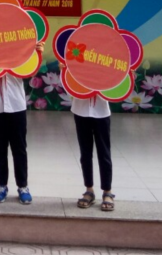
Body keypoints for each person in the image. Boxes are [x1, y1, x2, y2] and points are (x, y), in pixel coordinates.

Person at [0, 41, 45, 205]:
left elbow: (31, 72)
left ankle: (23, 187)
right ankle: (1, 186)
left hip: (16, 104)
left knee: (19, 148)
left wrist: (37, 54)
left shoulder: (18, 47)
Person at [61, 62, 115, 212]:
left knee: (104, 153)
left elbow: (117, 76)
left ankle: (107, 192)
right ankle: (89, 190)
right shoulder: (78, 54)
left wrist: (125, 74)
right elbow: (69, 82)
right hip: (81, 109)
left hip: (101, 110)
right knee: (85, 153)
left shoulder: (105, 57)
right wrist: (64, 70)